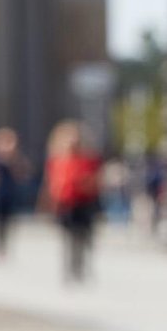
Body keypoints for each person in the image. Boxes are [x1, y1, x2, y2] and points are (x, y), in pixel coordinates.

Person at [45, 120, 102, 284]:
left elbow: (95, 181)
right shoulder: (58, 160)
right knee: (68, 238)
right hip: (66, 204)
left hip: (83, 203)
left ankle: (81, 268)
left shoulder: (89, 160)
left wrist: (86, 184)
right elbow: (53, 183)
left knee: (83, 237)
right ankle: (69, 270)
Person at [0, 128, 28, 255]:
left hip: (8, 196)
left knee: (6, 221)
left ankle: (3, 245)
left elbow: (22, 174)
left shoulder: (14, 159)